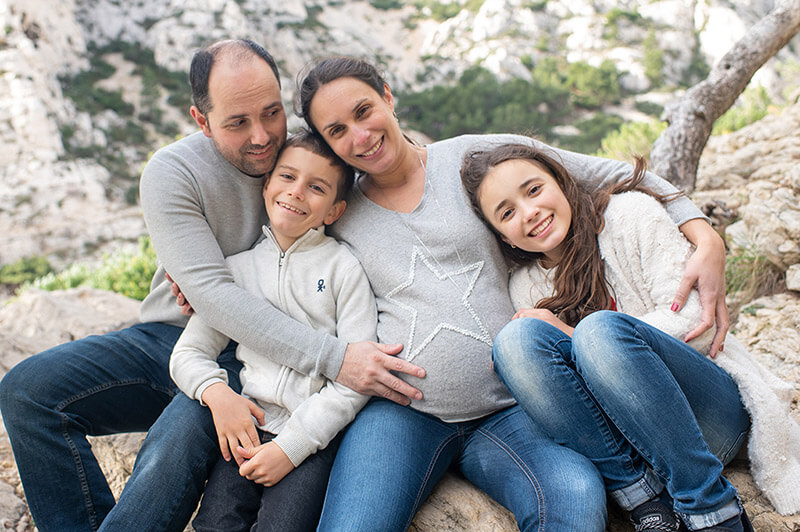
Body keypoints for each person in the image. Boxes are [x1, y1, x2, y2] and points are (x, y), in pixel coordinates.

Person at [0, 39, 422, 532]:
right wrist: (335, 359)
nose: (262, 136)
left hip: (261, 365)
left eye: (271, 113)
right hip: (178, 339)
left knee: (174, 445)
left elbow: (388, 170)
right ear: (202, 121)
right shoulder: (172, 171)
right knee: (27, 393)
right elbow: (213, 298)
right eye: (238, 122)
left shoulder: (312, 159)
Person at [295, 56, 732, 531]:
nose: (359, 136)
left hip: (512, 410)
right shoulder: (336, 206)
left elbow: (614, 174)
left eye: (363, 111)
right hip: (403, 413)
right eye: (337, 131)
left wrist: (706, 238)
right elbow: (273, 254)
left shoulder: (469, 159)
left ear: (387, 95)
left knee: (575, 499)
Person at [459, 142, 800, 531]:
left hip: (712, 414)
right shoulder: (525, 286)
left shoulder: (630, 215)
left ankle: (711, 508)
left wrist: (575, 334)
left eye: (534, 190)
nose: (529, 212)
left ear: (562, 182)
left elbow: (697, 324)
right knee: (515, 341)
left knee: (599, 332)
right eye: (507, 213)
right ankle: (645, 502)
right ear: (505, 238)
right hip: (638, 446)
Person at [170, 128, 376, 532]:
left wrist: (292, 447)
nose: (296, 192)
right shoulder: (234, 272)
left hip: (312, 439)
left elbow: (355, 377)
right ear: (267, 185)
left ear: (334, 211)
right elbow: (187, 354)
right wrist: (217, 395)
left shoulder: (343, 269)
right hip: (246, 429)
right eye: (287, 176)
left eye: (316, 187)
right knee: (215, 524)